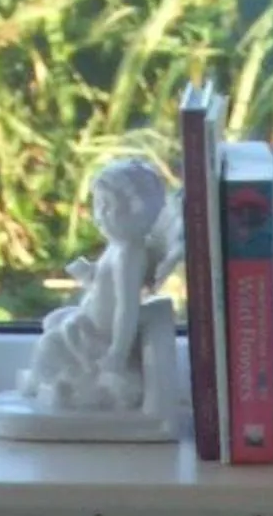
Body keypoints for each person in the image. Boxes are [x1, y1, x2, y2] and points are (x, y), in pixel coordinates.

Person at [18, 156, 175, 412]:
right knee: (54, 319)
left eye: (108, 206)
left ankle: (45, 381)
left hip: (100, 335)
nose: (99, 215)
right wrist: (88, 275)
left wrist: (118, 352)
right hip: (89, 320)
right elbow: (105, 288)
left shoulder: (129, 255)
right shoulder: (118, 246)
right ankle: (50, 381)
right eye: (97, 206)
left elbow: (127, 308)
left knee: (50, 344)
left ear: (138, 211)